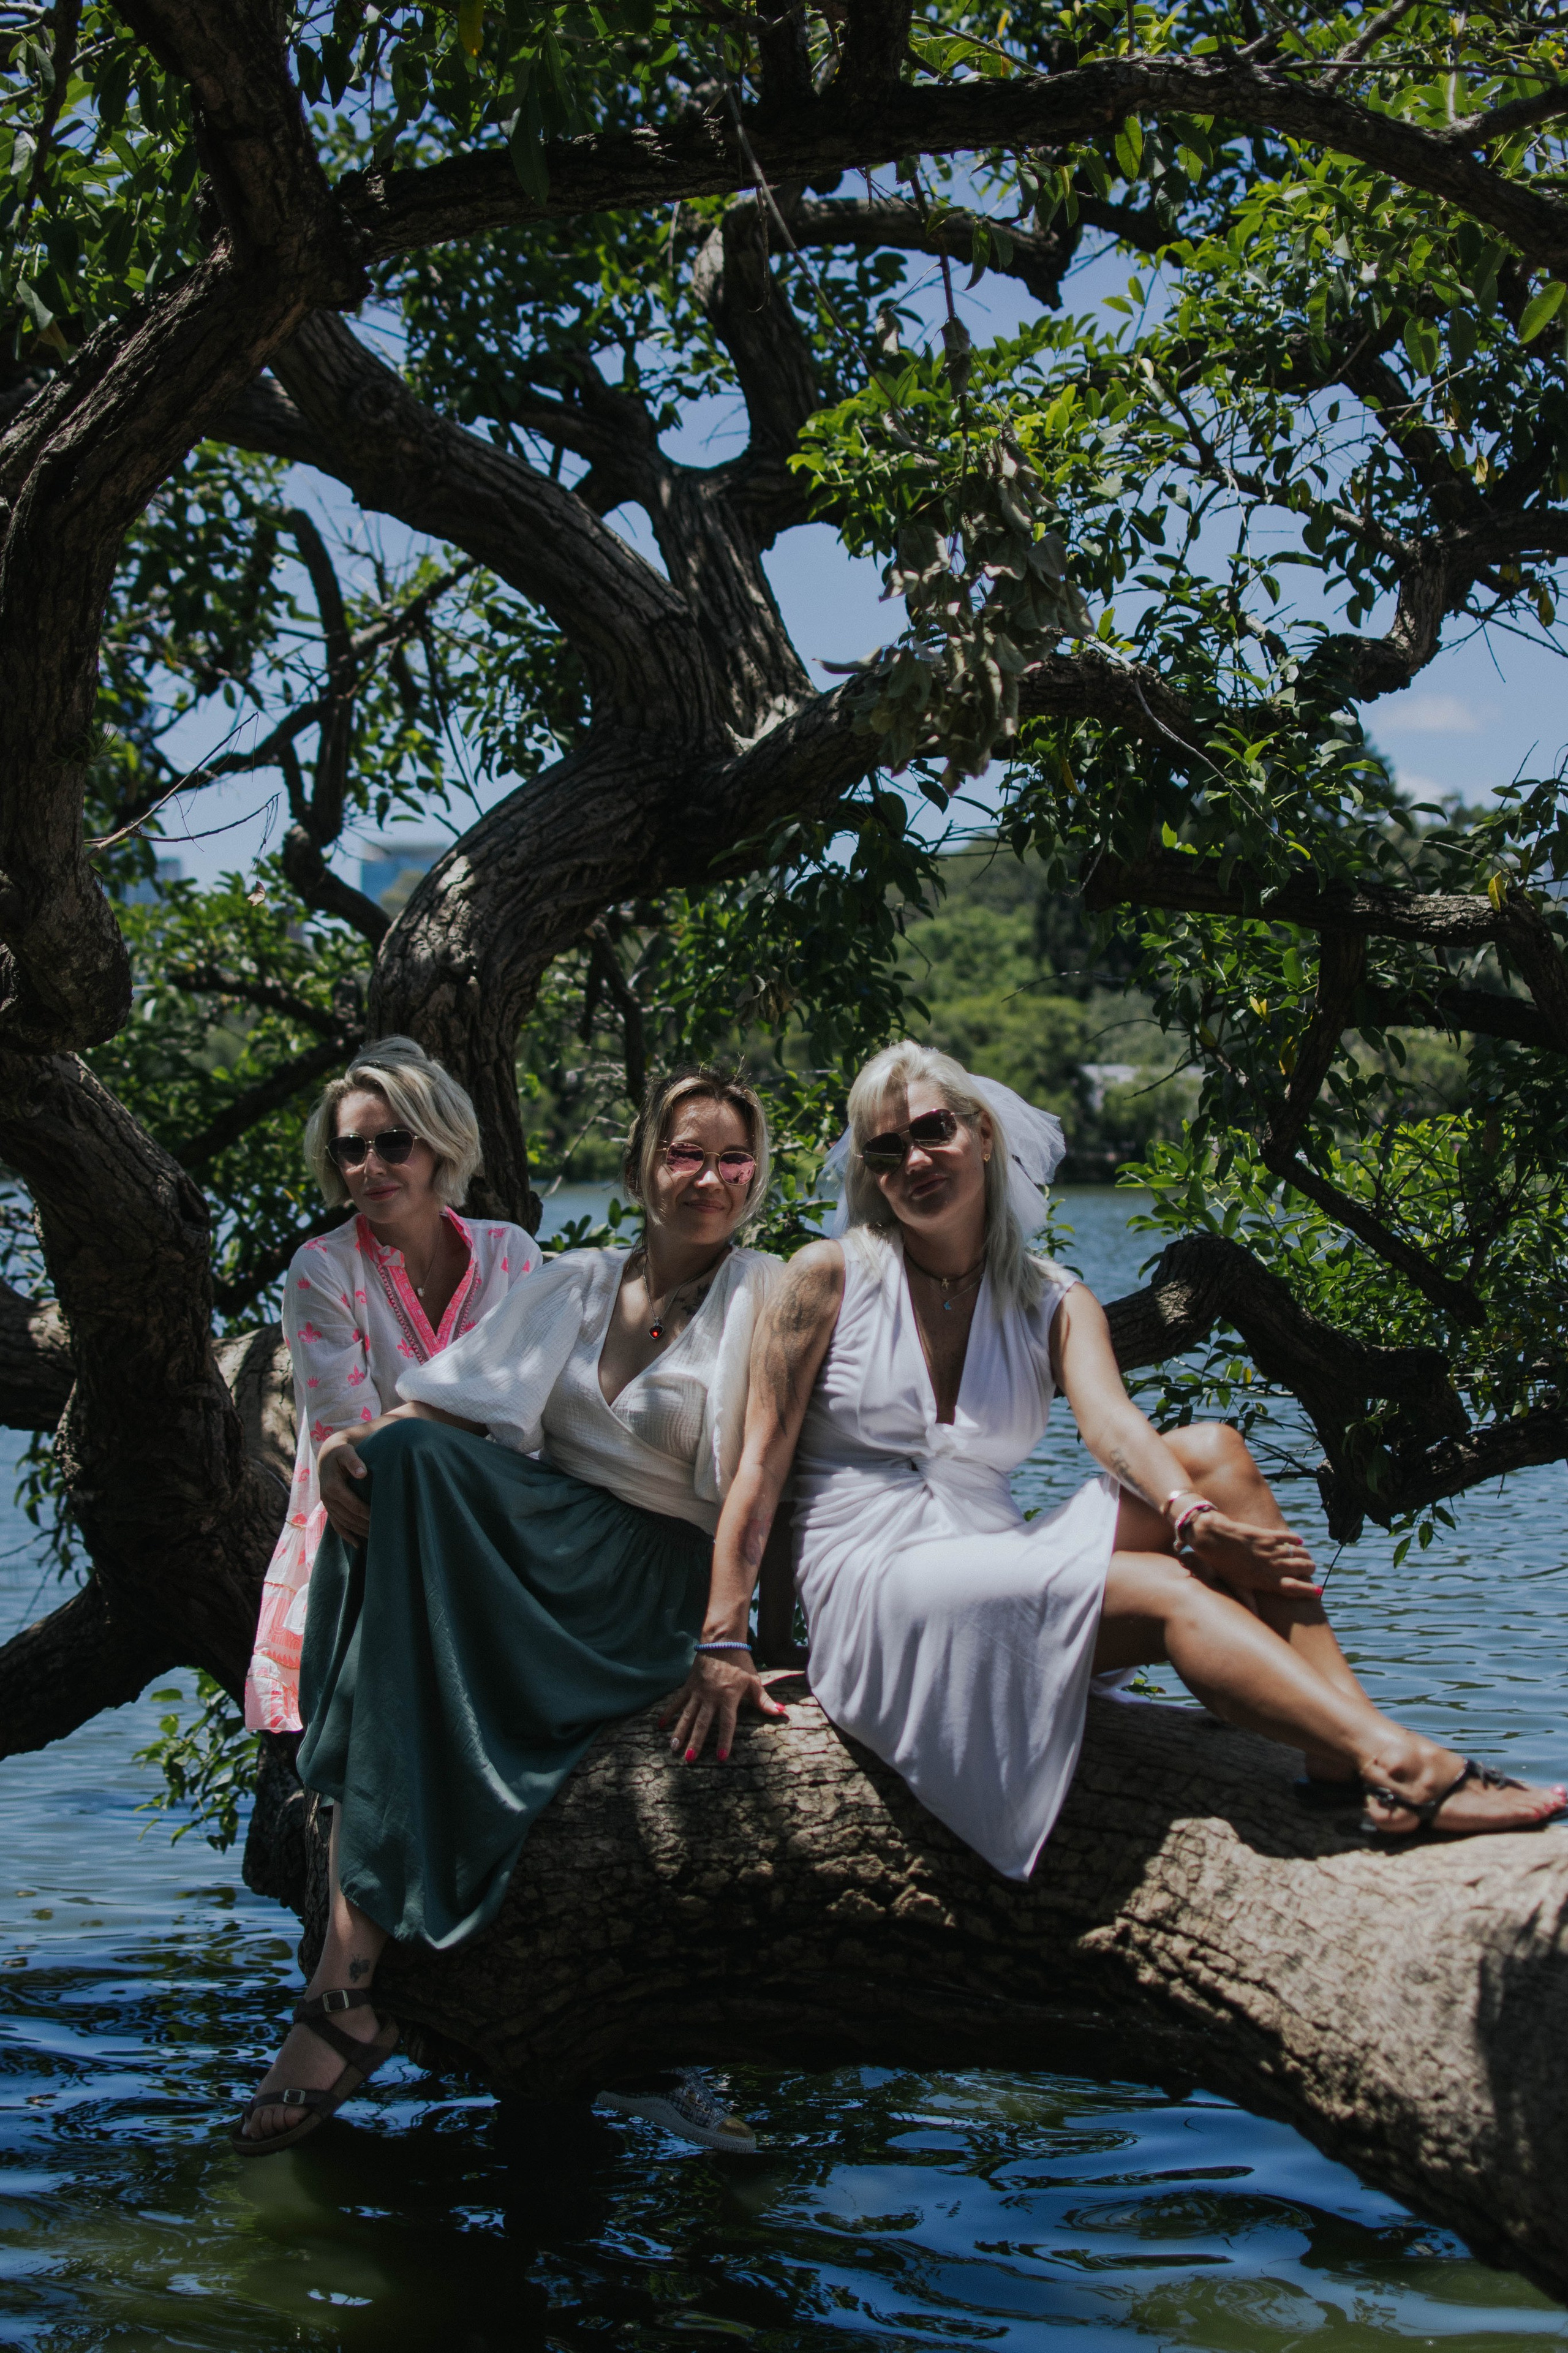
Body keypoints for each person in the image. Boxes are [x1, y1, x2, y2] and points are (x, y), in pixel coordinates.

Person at [668, 1041, 1566, 1871]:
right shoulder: (825, 1275)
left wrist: (1190, 1515)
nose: (915, 1159)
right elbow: (761, 1468)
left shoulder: (1051, 1297)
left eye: (934, 1129)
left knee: (1212, 1451)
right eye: (886, 1147)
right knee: (1172, 1589)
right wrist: (727, 1641)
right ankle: (1401, 1762)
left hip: (989, 1549)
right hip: (875, 1579)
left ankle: (1340, 1748)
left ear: (984, 1135)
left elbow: (1114, 1426)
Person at [235, 1068, 785, 2155]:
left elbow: (767, 1482)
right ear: (642, 1164)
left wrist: (734, 1641)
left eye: (733, 1158)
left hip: (650, 1575)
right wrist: (352, 1451)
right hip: (552, 1543)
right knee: (397, 1462)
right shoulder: (579, 1280)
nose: (709, 1178)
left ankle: (342, 1989)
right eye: (686, 1153)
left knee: (408, 1499)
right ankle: (352, 1980)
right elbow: (451, 1405)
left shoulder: (771, 1291)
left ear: (757, 1175)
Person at [244, 1037, 540, 1737]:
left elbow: (525, 1418)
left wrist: (443, 1424)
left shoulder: (511, 1253)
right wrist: (464, 1415)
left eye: (394, 1143)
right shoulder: (322, 1268)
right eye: (351, 1149)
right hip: (370, 1524)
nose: (370, 1166)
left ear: (440, 1144)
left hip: (498, 1518)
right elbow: (354, 1450)